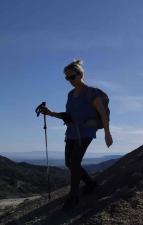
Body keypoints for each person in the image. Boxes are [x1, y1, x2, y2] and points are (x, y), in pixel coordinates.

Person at [39, 59, 113, 210]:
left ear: (80, 74)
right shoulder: (71, 94)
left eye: (72, 77)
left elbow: (103, 114)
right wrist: (50, 113)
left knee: (74, 162)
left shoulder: (93, 93)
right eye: (67, 78)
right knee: (69, 162)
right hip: (72, 132)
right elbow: (68, 115)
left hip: (86, 132)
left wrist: (107, 133)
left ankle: (74, 197)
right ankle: (91, 184)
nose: (70, 81)